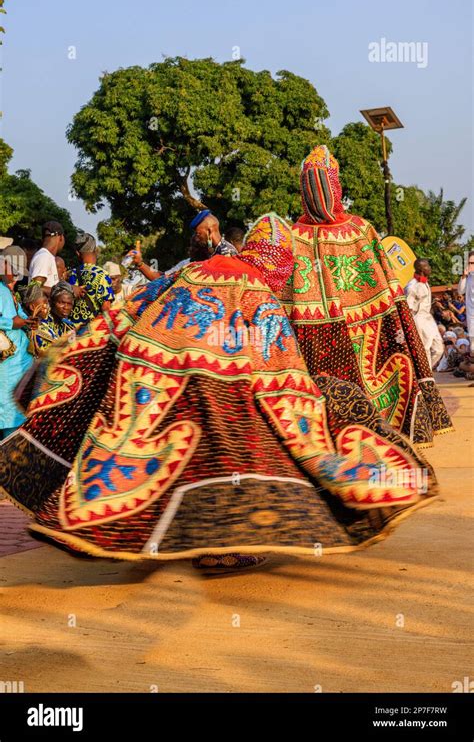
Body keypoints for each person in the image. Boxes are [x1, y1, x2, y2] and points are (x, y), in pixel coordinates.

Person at [0, 213, 437, 571]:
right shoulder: (259, 292)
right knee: (235, 454)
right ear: (277, 262)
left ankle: (176, 539)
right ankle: (220, 548)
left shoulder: (193, 270)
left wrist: (67, 356)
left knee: (184, 461)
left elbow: (131, 306)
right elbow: (279, 371)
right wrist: (315, 420)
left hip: (162, 379)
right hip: (218, 387)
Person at [281, 145, 452, 447]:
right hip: (367, 335)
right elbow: (389, 292)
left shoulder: (291, 236)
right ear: (337, 185)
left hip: (313, 346)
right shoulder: (360, 231)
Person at [0, 249, 36, 440]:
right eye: (13, 272)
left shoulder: (7, 291)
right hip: (7, 369)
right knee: (8, 414)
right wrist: (12, 323)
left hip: (15, 367)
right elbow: (10, 319)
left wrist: (28, 320)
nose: (15, 278)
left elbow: (18, 315)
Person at [405, 259, 445, 371]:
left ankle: (424, 372)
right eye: (427, 266)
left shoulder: (425, 282)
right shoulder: (412, 286)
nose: (430, 268)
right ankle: (426, 379)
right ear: (421, 269)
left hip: (428, 318)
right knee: (425, 348)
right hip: (419, 318)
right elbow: (407, 307)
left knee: (439, 349)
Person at [68, 233, 114, 326]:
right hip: (92, 332)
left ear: (78, 253)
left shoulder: (71, 274)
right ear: (95, 250)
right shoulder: (102, 274)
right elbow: (106, 308)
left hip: (72, 329)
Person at [23, 281, 75, 356]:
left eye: (69, 304)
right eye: (62, 303)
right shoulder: (39, 326)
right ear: (51, 302)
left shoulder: (69, 326)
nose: (66, 307)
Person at [28, 222, 69, 298]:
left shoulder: (47, 256)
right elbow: (34, 287)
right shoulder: (44, 257)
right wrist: (66, 292)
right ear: (60, 237)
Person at [458, 251, 474, 355]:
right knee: (473, 343)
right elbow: (460, 291)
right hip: (471, 314)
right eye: (470, 263)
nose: (471, 265)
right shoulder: (468, 277)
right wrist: (463, 276)